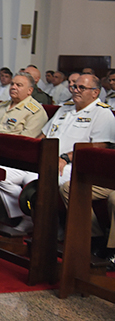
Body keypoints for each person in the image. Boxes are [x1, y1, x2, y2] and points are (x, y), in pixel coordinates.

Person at [50, 75, 115, 242]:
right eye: (74, 86)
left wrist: (65, 157)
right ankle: (46, 227)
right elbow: (43, 134)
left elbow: (100, 146)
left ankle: (91, 238)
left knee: (53, 179)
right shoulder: (65, 108)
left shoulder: (102, 113)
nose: (75, 90)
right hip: (50, 159)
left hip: (78, 165)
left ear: (95, 93)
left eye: (81, 88)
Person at [0, 73, 48, 234]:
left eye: (19, 85)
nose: (13, 87)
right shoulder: (2, 106)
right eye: (13, 84)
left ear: (30, 90)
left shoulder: (35, 111)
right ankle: (20, 212)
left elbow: (25, 143)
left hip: (20, 161)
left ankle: (27, 215)